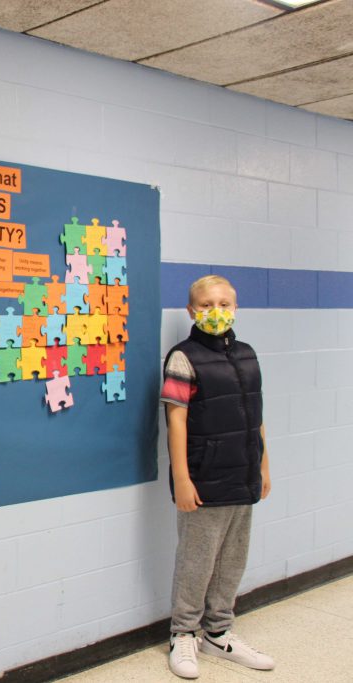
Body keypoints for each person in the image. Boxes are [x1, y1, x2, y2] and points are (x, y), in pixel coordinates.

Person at [160, 275, 274, 679]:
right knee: (197, 559)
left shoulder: (247, 355)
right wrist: (182, 479)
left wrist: (262, 465)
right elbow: (176, 421)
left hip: (242, 474)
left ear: (236, 307)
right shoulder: (182, 357)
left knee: (232, 558)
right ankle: (184, 633)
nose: (216, 311)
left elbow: (255, 416)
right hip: (203, 479)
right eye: (207, 305)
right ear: (192, 311)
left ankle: (219, 631)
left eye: (224, 303)